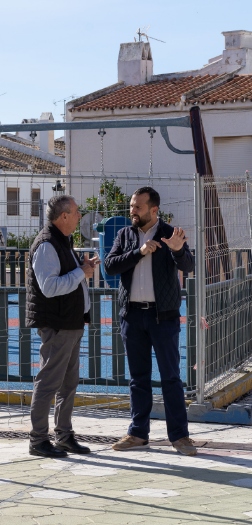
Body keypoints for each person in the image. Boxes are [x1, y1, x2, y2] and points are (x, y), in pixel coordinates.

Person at [104, 187, 196, 456]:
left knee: (171, 378)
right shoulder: (126, 234)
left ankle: (180, 437)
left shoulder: (170, 233)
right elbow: (110, 266)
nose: (132, 211)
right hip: (132, 316)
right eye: (131, 206)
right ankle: (137, 434)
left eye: (138, 207)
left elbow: (188, 266)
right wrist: (139, 252)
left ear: (154, 210)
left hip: (163, 317)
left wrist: (178, 251)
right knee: (138, 379)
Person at [26, 195, 100, 458]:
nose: (81, 215)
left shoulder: (61, 241)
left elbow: (68, 278)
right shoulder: (47, 245)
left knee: (68, 384)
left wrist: (82, 269)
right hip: (57, 325)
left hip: (70, 323)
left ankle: (64, 436)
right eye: (77, 212)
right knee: (48, 382)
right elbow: (50, 287)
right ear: (64, 216)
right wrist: (82, 272)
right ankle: (38, 440)